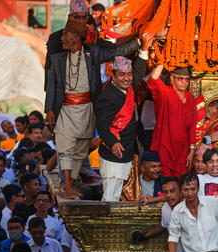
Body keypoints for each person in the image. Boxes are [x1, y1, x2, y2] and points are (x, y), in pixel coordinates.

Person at [45, 15, 147, 199]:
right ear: (114, 76)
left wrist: (141, 42)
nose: (61, 38)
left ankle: (72, 182)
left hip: (87, 107)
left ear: (75, 37)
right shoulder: (57, 58)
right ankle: (66, 186)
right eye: (121, 74)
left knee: (81, 148)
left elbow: (119, 50)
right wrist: (49, 110)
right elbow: (52, 86)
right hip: (65, 108)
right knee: (65, 148)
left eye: (65, 35)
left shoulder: (92, 52)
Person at [95, 50, 151, 202]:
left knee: (116, 191)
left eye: (129, 74)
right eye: (122, 74)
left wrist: (144, 50)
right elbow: (101, 124)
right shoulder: (108, 96)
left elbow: (139, 70)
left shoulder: (128, 87)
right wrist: (113, 143)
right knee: (110, 196)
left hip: (125, 151)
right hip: (113, 152)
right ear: (113, 75)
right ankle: (106, 225)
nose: (127, 78)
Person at [147, 64, 196, 177]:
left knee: (181, 187)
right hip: (164, 150)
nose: (184, 82)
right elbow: (154, 77)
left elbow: (193, 126)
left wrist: (192, 150)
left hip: (183, 152)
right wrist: (166, 60)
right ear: (172, 78)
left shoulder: (190, 98)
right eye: (180, 78)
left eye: (187, 79)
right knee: (165, 186)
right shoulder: (164, 93)